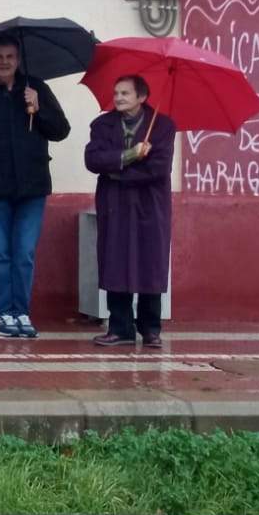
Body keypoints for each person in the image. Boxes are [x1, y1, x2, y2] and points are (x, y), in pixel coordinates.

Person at [0, 35, 71, 339]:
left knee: (24, 252)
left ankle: (22, 313)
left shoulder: (37, 89)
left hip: (32, 186)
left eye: (10, 56)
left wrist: (39, 108)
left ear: (18, 59)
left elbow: (61, 130)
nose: (4, 62)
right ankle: (3, 313)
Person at [83, 75, 176, 348]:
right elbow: (92, 159)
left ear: (142, 97)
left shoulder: (163, 127)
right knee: (116, 260)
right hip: (115, 204)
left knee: (150, 261)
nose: (119, 97)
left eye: (125, 93)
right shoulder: (102, 125)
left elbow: (158, 169)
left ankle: (150, 329)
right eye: (116, 92)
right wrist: (128, 155)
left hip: (150, 205)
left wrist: (117, 173)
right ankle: (120, 327)